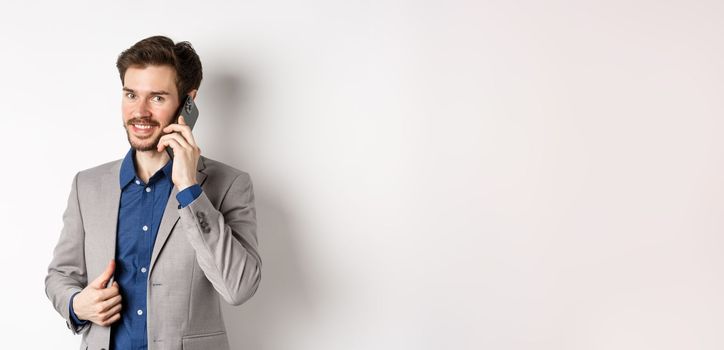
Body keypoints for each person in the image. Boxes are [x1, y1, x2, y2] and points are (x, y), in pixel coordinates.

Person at [44, 35, 262, 350]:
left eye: (157, 98)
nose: (140, 112)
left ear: (188, 102)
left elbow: (239, 288)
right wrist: (77, 304)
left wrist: (189, 188)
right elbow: (59, 275)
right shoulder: (86, 186)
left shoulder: (229, 184)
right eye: (131, 95)